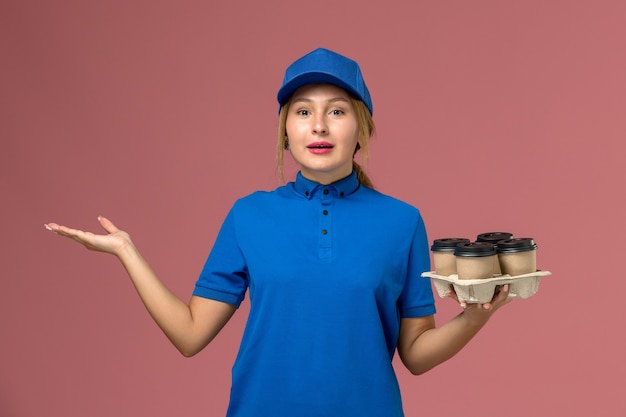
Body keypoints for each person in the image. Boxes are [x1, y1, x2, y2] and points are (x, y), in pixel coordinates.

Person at [45, 48, 511, 417]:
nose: (320, 125)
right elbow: (189, 335)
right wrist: (128, 252)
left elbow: (414, 354)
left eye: (337, 111)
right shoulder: (249, 216)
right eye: (303, 112)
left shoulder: (402, 221)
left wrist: (474, 317)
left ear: (362, 130)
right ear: (286, 131)